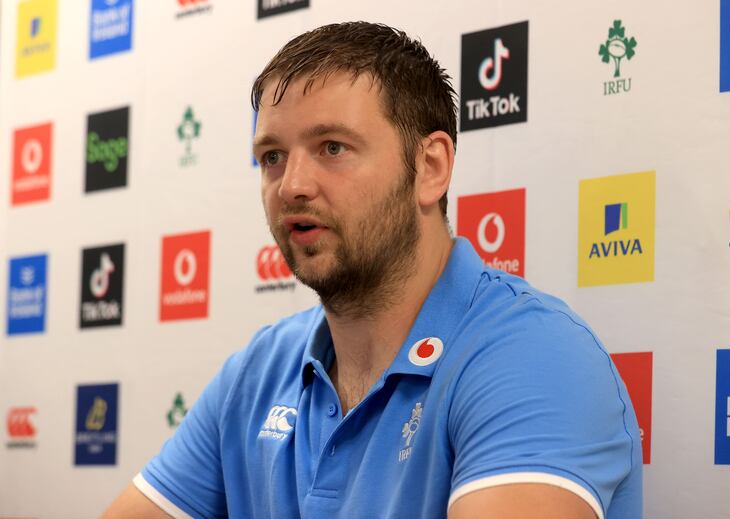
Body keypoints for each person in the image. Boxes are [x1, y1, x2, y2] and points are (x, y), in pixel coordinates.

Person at [104, 22, 642, 519]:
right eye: (272, 156)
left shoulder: (535, 356)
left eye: (331, 147)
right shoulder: (258, 371)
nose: (291, 185)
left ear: (430, 168)